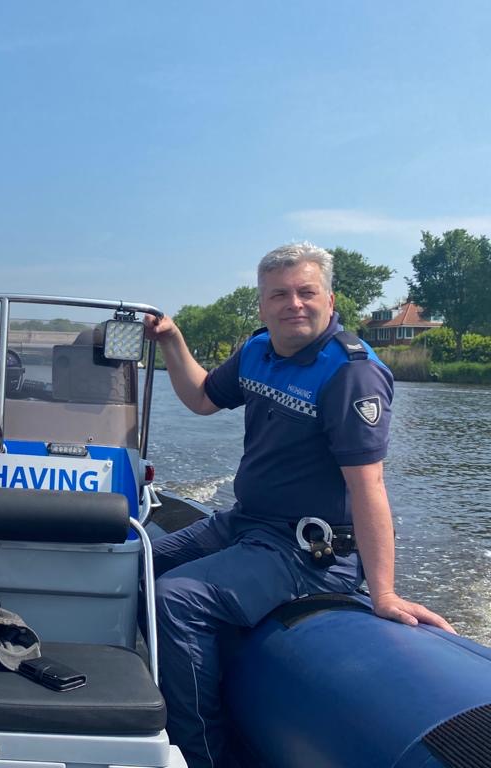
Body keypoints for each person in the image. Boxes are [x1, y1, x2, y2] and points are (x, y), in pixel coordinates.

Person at [143, 242, 454, 768]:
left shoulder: (350, 374)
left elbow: (369, 487)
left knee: (175, 598)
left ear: (329, 300)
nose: (294, 304)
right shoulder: (258, 350)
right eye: (279, 295)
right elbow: (201, 398)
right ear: (262, 306)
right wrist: (173, 339)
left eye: (307, 292)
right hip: (246, 523)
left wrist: (383, 593)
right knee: (136, 562)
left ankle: (200, 756)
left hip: (310, 551)